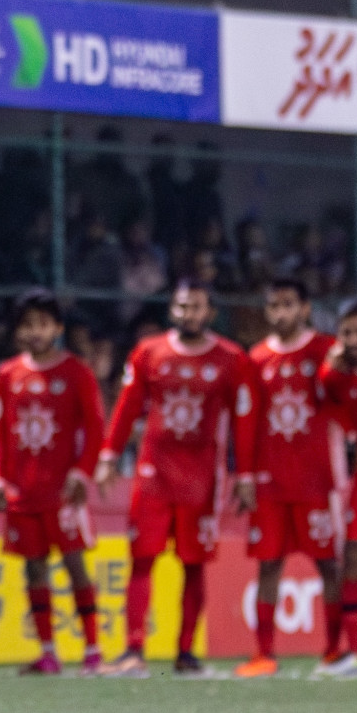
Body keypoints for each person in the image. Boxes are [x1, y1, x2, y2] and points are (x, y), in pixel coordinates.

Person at [95, 279, 256, 677]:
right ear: (173, 310)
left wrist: (247, 474)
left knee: (194, 564)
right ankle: (134, 650)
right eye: (183, 306)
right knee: (141, 559)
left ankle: (185, 653)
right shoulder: (150, 352)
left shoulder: (230, 358)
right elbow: (128, 406)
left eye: (197, 307)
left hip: (203, 480)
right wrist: (109, 455)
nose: (189, 314)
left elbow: (244, 421)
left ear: (211, 313)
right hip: (153, 475)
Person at [0, 290, 106, 676]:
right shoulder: (7, 375)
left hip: (62, 493)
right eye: (28, 325)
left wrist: (81, 472)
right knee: (34, 571)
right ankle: (48, 652)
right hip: (22, 493)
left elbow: (94, 428)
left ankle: (92, 649)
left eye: (42, 324)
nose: (35, 332)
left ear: (57, 328)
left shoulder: (76, 372)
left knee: (75, 566)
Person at [232, 279, 341, 677]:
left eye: (288, 305)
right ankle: (263, 654)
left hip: (316, 480)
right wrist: (244, 474)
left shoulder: (327, 351)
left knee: (328, 564)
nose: (281, 313)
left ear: (305, 308)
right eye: (274, 305)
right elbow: (246, 421)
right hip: (269, 483)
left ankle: (334, 650)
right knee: (268, 566)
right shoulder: (256, 358)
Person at [317, 300, 357, 677]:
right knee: (352, 562)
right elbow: (334, 404)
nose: (354, 340)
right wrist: (332, 370)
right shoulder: (345, 381)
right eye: (347, 332)